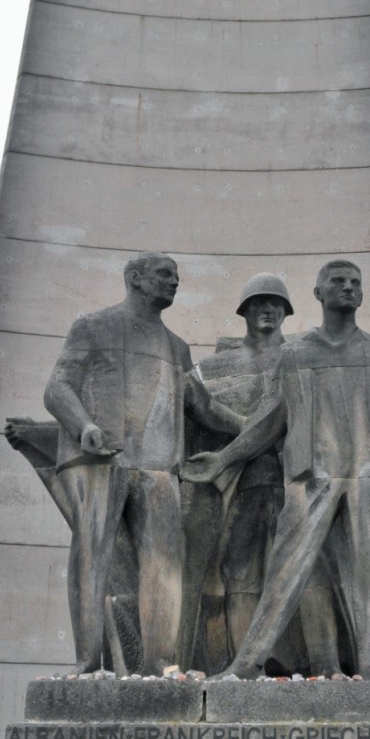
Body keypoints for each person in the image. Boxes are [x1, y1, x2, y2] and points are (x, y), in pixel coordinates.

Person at [182, 260, 370, 679]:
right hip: (312, 479)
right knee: (284, 570)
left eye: (354, 283)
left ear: (362, 295)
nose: (347, 288)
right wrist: (225, 458)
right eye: (337, 281)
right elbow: (270, 419)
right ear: (318, 293)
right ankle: (245, 664)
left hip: (369, 480)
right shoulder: (296, 354)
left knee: (368, 573)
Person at [44, 252, 242, 676]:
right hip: (99, 461)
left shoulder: (176, 347)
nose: (174, 282)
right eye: (164, 274)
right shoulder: (92, 326)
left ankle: (159, 666)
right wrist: (83, 426)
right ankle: (88, 663)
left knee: (164, 565)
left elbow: (203, 408)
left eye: (176, 276)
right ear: (134, 279)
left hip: (157, 469)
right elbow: (57, 387)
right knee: (91, 556)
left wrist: (254, 426)